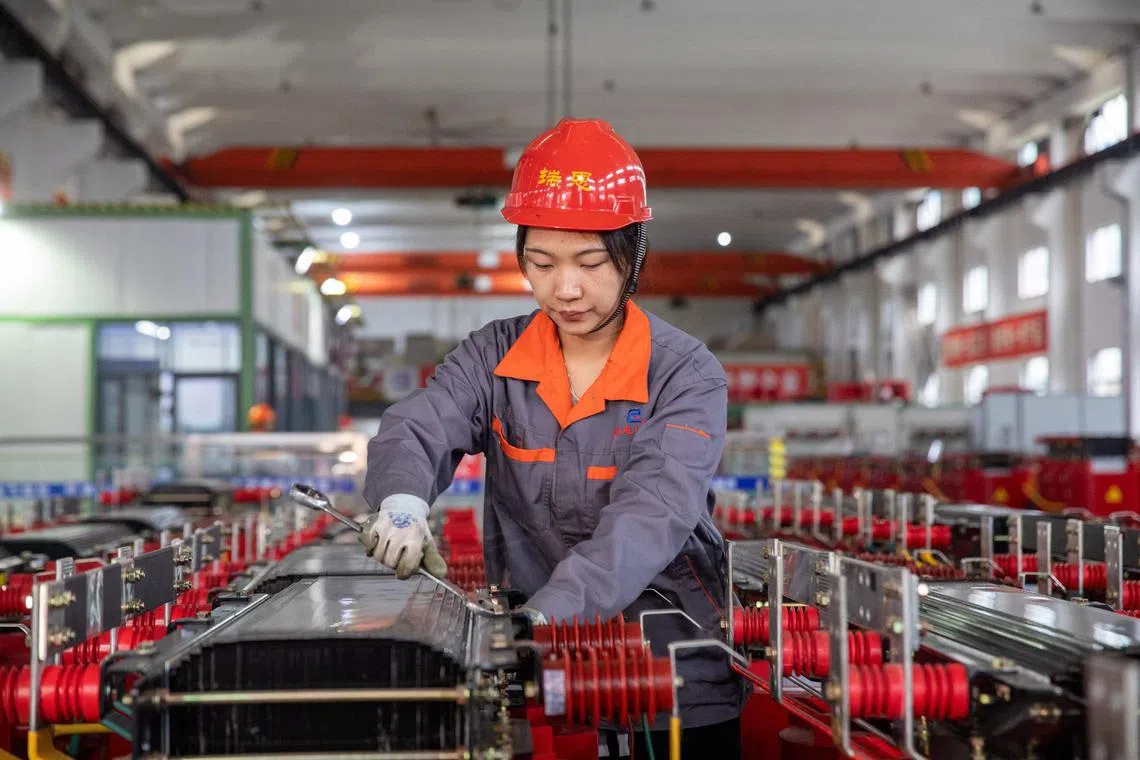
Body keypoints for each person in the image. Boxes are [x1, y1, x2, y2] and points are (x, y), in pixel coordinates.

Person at [362, 118, 745, 758]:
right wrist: (401, 503)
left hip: (672, 674)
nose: (565, 289)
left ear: (633, 255)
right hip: (544, 677)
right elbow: (421, 424)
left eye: (590, 262)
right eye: (541, 263)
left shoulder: (685, 372)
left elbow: (654, 511)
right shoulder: (493, 356)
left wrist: (546, 614)